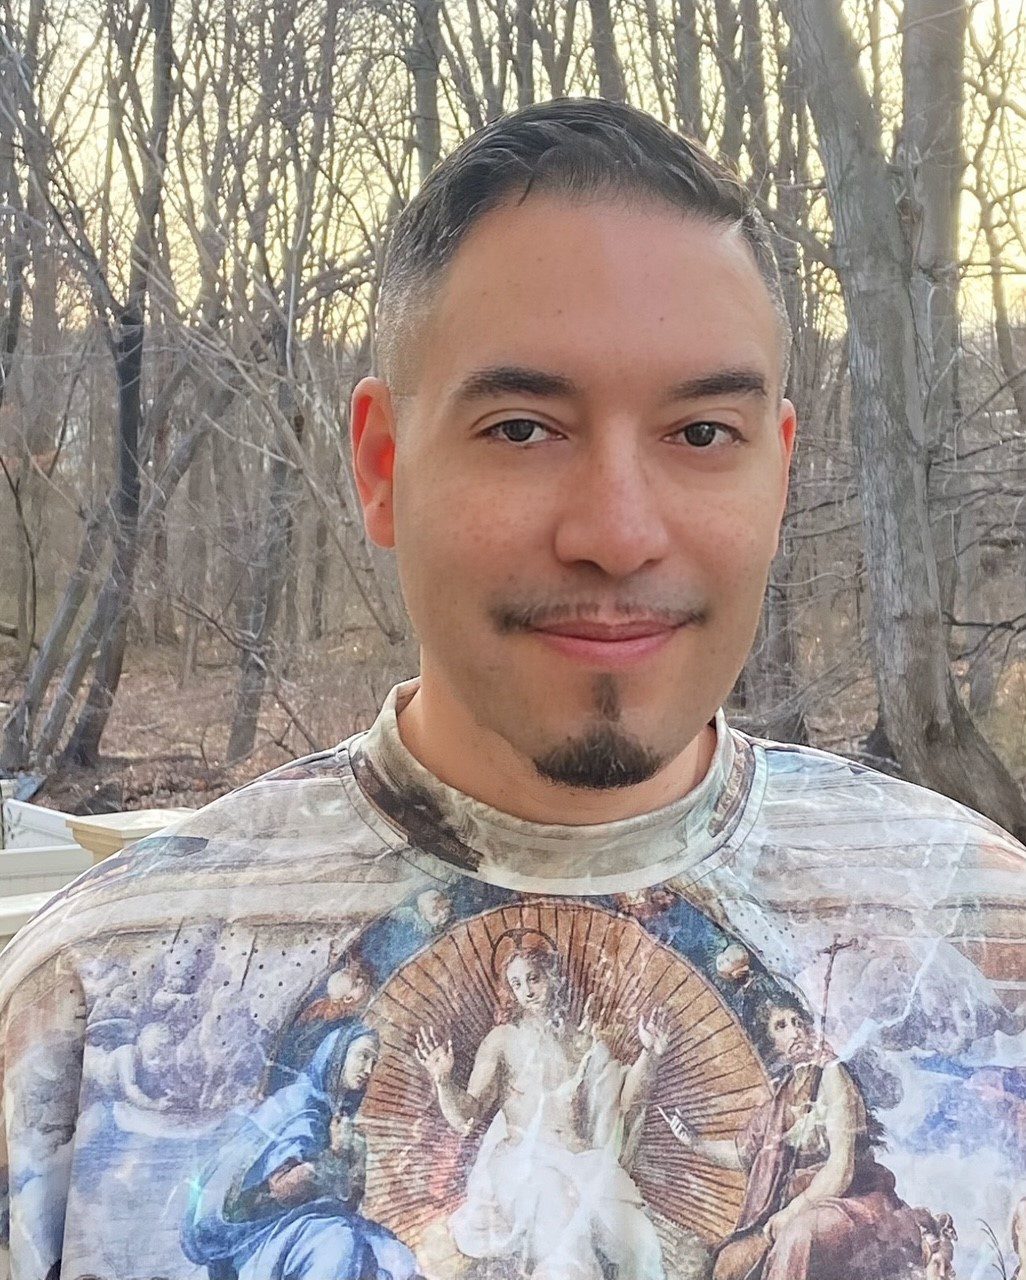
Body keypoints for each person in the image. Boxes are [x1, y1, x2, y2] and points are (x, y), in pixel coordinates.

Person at [0, 97, 1023, 1279]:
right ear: (383, 467)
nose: (618, 532)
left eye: (701, 433)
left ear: (780, 471)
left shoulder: (995, 948)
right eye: (525, 427)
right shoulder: (83, 1005)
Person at [415, 932, 667, 1279]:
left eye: (534, 978)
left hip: (582, 1163)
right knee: (564, 1242)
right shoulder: (503, 1040)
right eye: (517, 983)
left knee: (636, 1241)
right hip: (527, 1162)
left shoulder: (581, 1041)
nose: (527, 990)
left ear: (554, 977)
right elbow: (467, 1116)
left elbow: (624, 1102)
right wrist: (443, 1081)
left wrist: (650, 1054)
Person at [666, 989, 924, 1280]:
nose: (795, 1030)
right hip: (792, 1209)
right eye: (782, 1026)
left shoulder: (832, 1076)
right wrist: (693, 1141)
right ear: (772, 1044)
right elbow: (741, 1154)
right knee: (728, 1263)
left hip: (850, 1201)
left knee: (799, 1236)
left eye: (798, 1021)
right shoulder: (777, 1103)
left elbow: (841, 1170)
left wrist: (791, 1212)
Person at [182, 1022, 421, 1280]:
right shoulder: (301, 1105)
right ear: (338, 1052)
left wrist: (354, 1162)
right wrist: (337, 1155)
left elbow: (348, 1203)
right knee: (339, 1243)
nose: (368, 1069)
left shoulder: (337, 1120)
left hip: (304, 1222)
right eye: (363, 1056)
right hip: (259, 1236)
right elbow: (280, 1190)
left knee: (395, 1257)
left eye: (374, 1062)